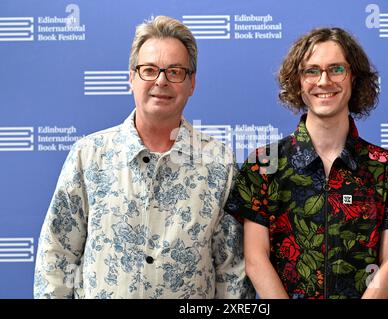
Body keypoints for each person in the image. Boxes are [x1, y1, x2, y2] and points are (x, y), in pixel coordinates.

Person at [34, 15, 254, 299]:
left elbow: (232, 271)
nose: (161, 81)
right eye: (149, 70)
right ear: (131, 78)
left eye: (174, 71)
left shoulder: (219, 164)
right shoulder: (88, 156)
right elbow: (57, 254)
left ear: (192, 83)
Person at [225, 27, 388, 299]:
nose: (324, 81)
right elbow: (255, 259)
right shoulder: (264, 164)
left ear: (353, 78)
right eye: (311, 71)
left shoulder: (387, 167)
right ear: (298, 81)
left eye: (336, 69)